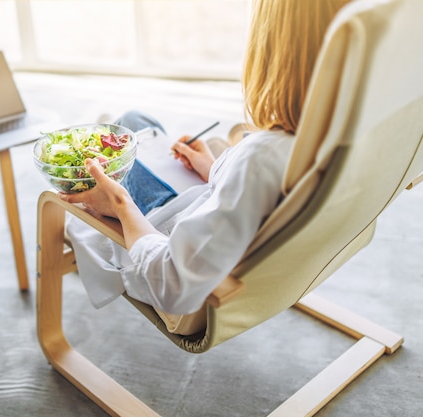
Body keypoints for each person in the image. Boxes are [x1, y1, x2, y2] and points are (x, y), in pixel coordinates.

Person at [60, 0, 352, 334]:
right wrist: (216, 168)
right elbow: (253, 197)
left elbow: (171, 283)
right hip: (211, 209)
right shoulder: (349, 134)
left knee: (115, 140)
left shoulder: (261, 159)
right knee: (137, 122)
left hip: (164, 241)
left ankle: (84, 223)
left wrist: (121, 206)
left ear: (274, 55)